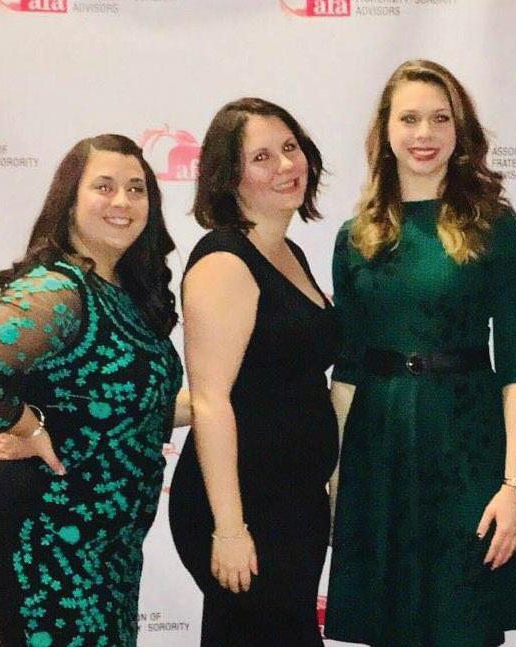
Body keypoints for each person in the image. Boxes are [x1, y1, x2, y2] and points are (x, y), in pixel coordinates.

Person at [324, 59, 516, 647]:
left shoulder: (494, 227)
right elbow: (348, 368)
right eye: (410, 118)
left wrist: (515, 486)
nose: (425, 134)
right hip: (378, 449)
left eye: (440, 119)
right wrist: (335, 478)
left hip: (467, 445)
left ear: (459, 129)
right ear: (386, 130)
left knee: (463, 622)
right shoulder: (355, 236)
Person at [0, 134, 186, 646]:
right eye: (104, 186)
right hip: (44, 519)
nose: (123, 201)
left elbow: (125, 406)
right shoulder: (59, 287)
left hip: (102, 536)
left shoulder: (123, 294)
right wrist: (29, 429)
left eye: (136, 189)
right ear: (70, 201)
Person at [168, 97, 338, 647]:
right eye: (262, 157)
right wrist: (229, 529)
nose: (286, 165)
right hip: (243, 508)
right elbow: (211, 401)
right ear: (229, 176)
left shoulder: (288, 253)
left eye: (290, 147)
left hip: (294, 503)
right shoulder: (224, 261)